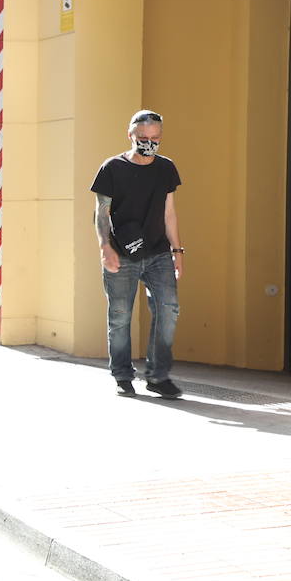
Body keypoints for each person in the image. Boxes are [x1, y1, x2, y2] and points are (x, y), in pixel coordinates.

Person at [92, 109, 184, 399]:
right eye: (143, 137)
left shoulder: (166, 168)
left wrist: (178, 250)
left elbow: (169, 213)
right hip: (122, 254)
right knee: (120, 316)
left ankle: (158, 376)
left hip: (158, 252)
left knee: (168, 309)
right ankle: (122, 375)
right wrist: (105, 247)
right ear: (130, 135)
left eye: (155, 138)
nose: (149, 143)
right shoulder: (112, 168)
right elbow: (101, 212)